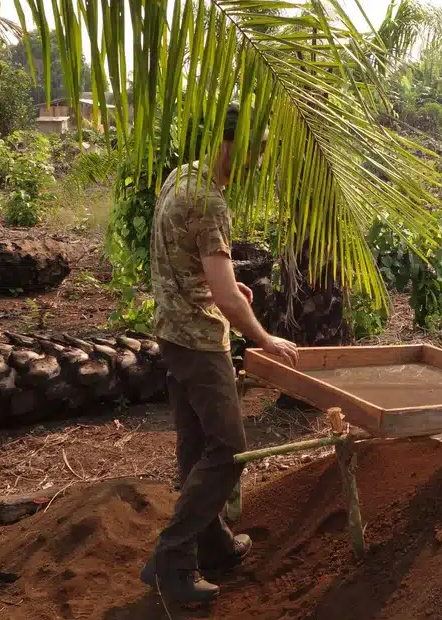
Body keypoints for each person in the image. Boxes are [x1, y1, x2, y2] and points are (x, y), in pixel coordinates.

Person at [142, 104, 300, 607]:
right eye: (258, 147)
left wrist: (223, 293)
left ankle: (212, 544)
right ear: (235, 143)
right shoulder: (210, 202)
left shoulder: (179, 178)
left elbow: (184, 264)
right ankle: (172, 559)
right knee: (229, 446)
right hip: (198, 340)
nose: (259, 158)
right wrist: (263, 338)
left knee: (196, 446)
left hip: (172, 330)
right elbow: (228, 297)